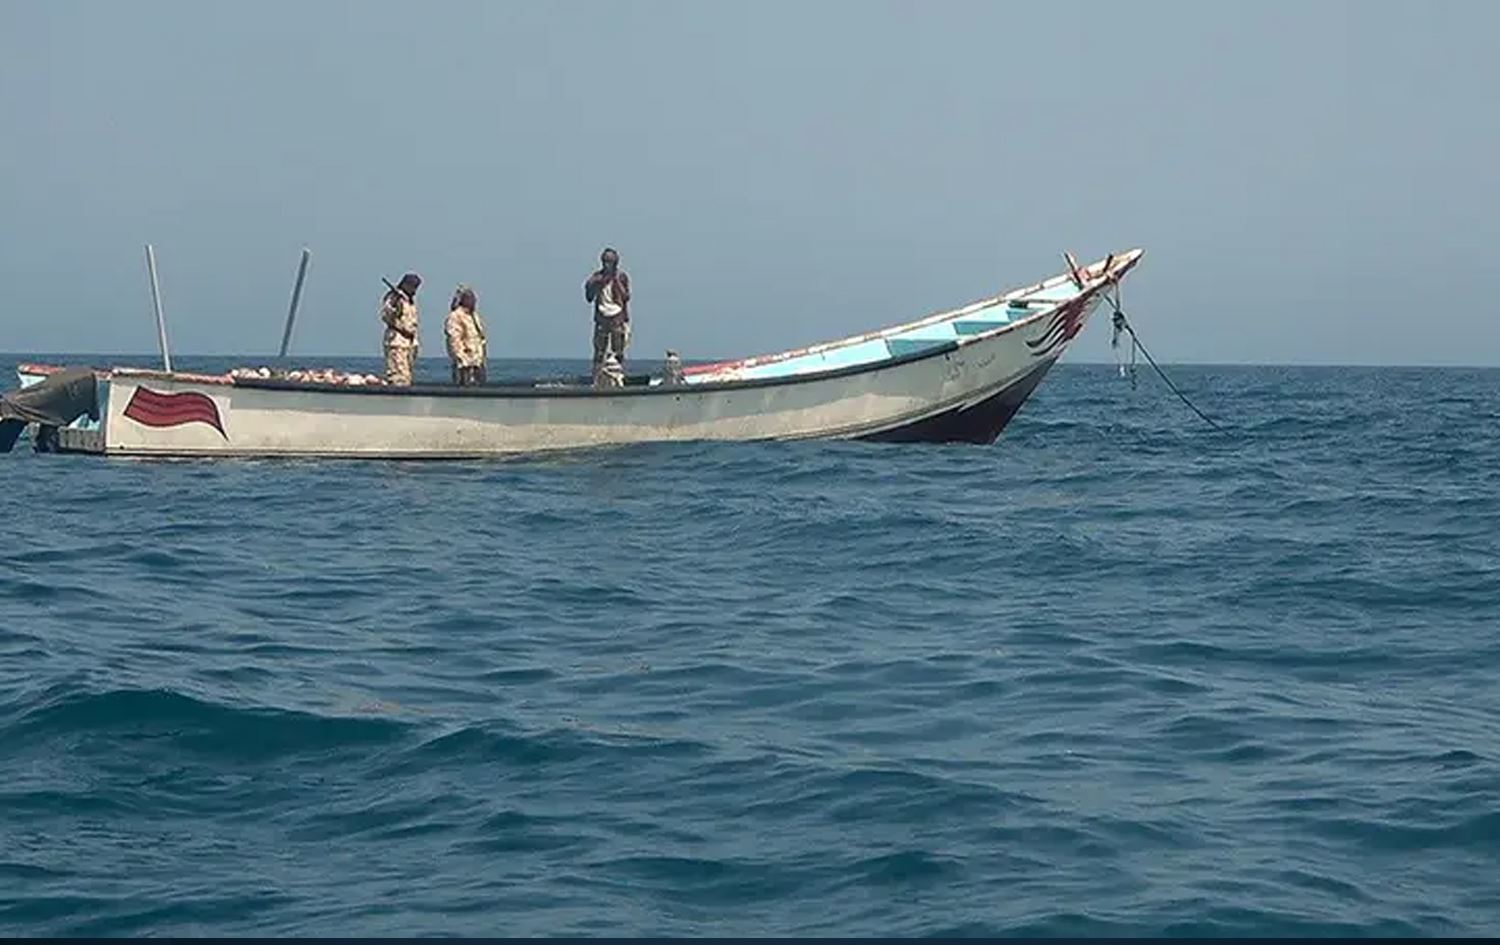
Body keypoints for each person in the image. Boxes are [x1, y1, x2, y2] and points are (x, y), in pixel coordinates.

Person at [583, 247, 630, 372]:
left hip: (617, 315)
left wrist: (615, 280)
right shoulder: (597, 277)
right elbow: (589, 296)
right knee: (599, 350)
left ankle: (618, 376)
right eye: (605, 261)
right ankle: (597, 376)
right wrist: (594, 284)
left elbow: (626, 296)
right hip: (602, 316)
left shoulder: (621, 277)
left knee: (618, 349)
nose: (607, 264)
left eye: (610, 262)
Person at [380, 272, 421, 386]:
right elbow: (386, 316)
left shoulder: (409, 300)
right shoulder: (393, 297)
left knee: (407, 376)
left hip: (409, 342)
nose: (414, 290)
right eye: (412, 286)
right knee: (398, 377)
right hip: (397, 341)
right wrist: (395, 304)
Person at [444, 284, 488, 386]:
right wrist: (462, 361)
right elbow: (454, 341)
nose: (474, 301)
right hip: (465, 364)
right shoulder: (455, 316)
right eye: (470, 298)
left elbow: (481, 338)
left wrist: (482, 359)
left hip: (477, 361)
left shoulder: (474, 316)